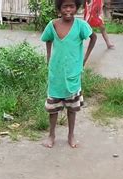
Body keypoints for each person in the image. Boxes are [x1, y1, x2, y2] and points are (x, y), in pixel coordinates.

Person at [40, 0, 97, 148]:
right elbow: (47, 40)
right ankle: (51, 135)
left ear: (76, 8)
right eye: (65, 6)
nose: (68, 10)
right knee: (53, 108)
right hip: (56, 73)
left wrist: (84, 59)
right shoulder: (53, 25)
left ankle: (71, 135)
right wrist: (48, 58)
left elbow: (93, 37)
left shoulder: (81, 26)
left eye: (71, 6)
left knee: (72, 108)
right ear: (59, 8)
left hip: (73, 73)